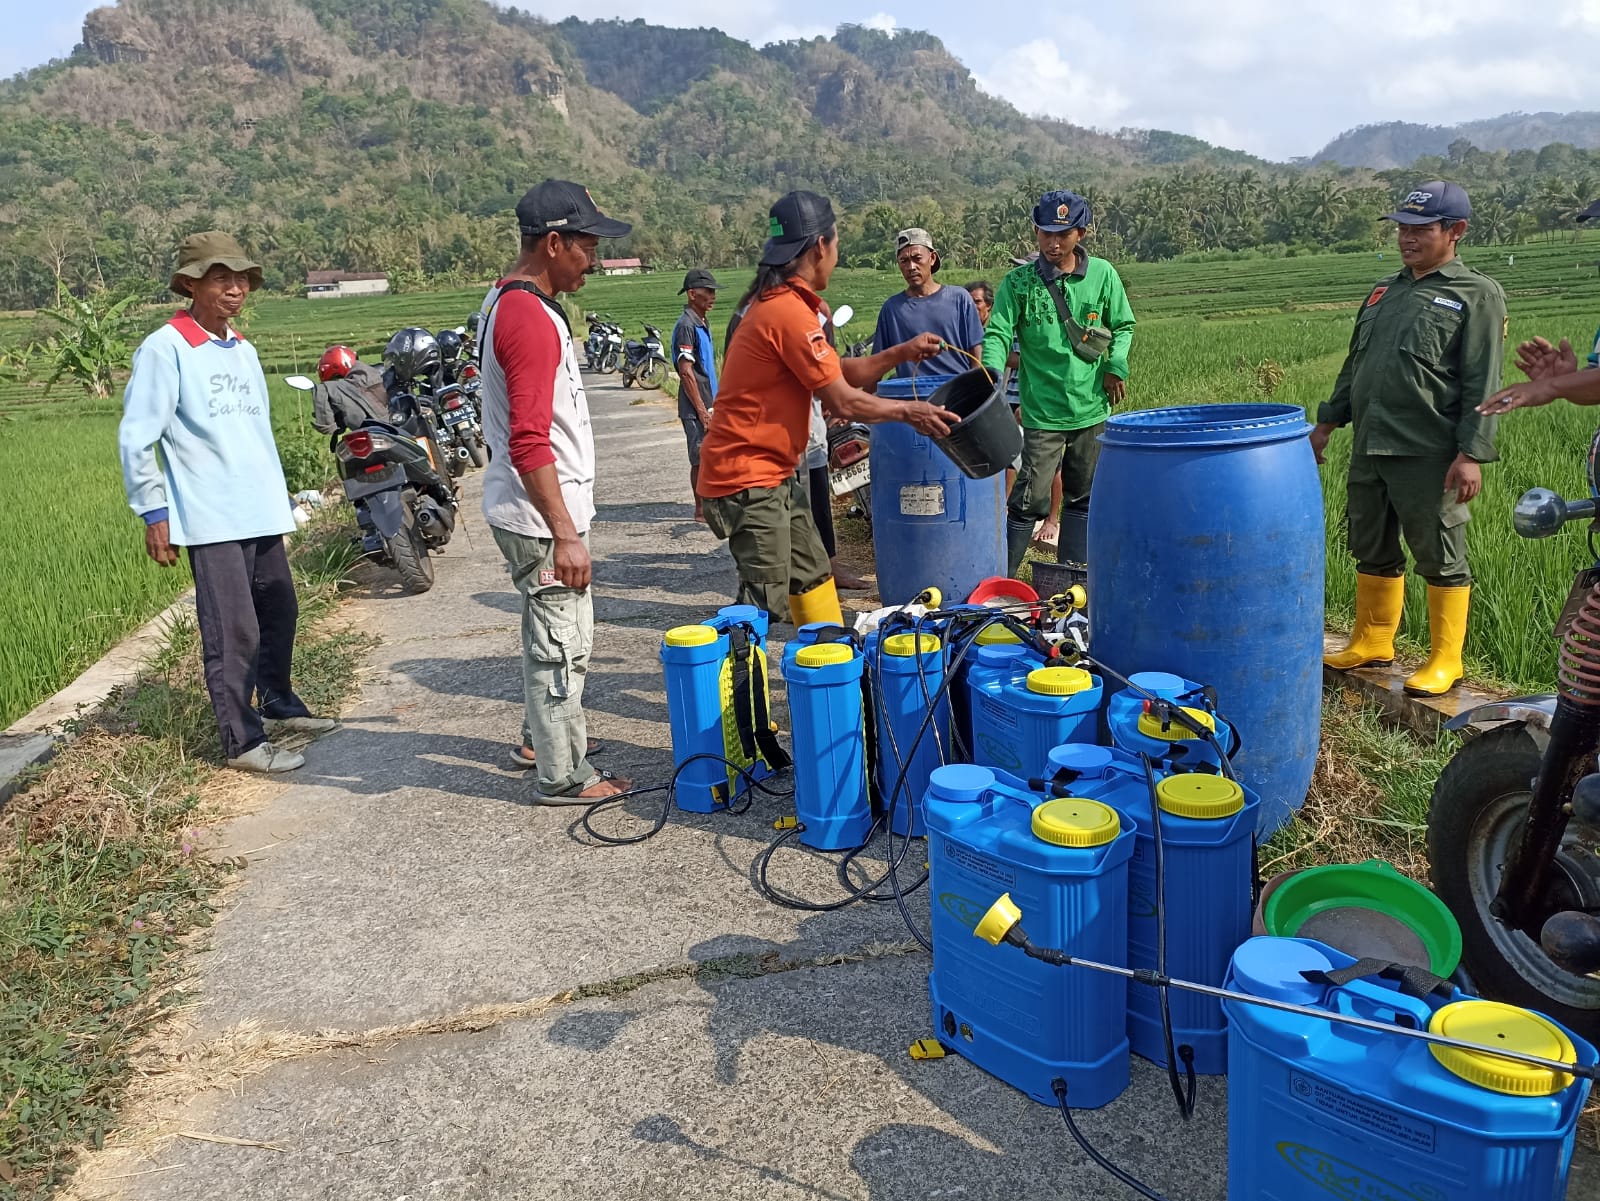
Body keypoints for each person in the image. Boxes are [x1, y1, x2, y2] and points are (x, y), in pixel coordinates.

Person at [118, 231, 335, 774]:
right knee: (232, 628)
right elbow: (136, 437)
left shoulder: (242, 349)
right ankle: (242, 742)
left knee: (278, 608)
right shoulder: (166, 348)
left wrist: (280, 498)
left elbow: (254, 435)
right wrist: (154, 511)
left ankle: (280, 701)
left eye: (241, 278)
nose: (235, 288)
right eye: (221, 277)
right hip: (210, 515)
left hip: (259, 509)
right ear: (190, 284)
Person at [697, 190, 952, 624]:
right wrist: (911, 412)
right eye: (836, 245)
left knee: (814, 578)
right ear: (820, 246)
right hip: (747, 478)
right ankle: (734, 685)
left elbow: (837, 371)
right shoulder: (787, 312)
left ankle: (829, 677)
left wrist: (901, 352)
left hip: (774, 474)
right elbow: (842, 400)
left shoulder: (784, 306)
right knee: (762, 609)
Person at [1314, 181, 1506, 697]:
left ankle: (1447, 659)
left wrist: (1471, 453)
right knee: (1370, 544)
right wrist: (1327, 423)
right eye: (1402, 228)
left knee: (1439, 551)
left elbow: (1482, 381)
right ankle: (1373, 640)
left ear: (1456, 231)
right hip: (1371, 443)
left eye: (1420, 229)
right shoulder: (1384, 290)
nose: (1407, 238)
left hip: (1429, 451)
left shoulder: (1476, 294)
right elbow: (1357, 366)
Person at [479, 179, 632, 802]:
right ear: (552, 243)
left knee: (554, 633)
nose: (592, 259)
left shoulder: (510, 299)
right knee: (560, 645)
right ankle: (563, 774)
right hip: (543, 517)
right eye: (586, 245)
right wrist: (564, 533)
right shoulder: (528, 318)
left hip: (539, 509)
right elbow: (529, 441)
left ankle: (538, 738)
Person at [981, 191, 1135, 582]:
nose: (1053, 243)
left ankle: (1069, 581)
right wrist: (990, 370)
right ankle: (1005, 584)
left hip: (1091, 407)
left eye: (1063, 234)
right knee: (1027, 499)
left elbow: (1123, 325)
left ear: (1080, 233)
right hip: (1042, 412)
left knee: (1082, 497)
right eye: (1046, 233)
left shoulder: (1103, 274)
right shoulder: (1018, 283)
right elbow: (998, 331)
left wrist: (1115, 365)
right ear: (1035, 231)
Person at [872, 229, 984, 379]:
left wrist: (975, 390)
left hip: (955, 394)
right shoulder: (892, 309)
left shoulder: (959, 298)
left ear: (931, 258)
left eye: (917, 258)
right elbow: (877, 363)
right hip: (912, 397)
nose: (911, 267)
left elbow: (976, 351)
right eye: (904, 261)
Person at [671, 268, 721, 523]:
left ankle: (713, 504)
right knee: (700, 457)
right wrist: (702, 411)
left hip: (710, 399)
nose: (713, 296)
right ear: (692, 294)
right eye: (708, 292)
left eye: (714, 292)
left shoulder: (702, 322)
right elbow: (686, 372)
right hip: (695, 405)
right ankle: (700, 510)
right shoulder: (686, 326)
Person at [310, 344, 389, 434]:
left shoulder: (330, 388)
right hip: (397, 427)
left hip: (377, 433)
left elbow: (327, 428)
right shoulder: (378, 373)